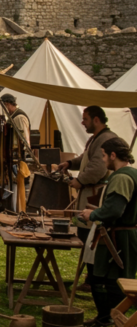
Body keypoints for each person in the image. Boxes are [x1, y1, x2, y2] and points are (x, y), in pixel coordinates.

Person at [77, 137, 137, 327]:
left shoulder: (122, 177)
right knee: (99, 277)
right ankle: (105, 318)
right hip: (116, 235)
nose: (102, 160)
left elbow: (114, 210)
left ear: (113, 155)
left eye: (103, 155)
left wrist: (93, 214)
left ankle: (116, 323)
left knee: (114, 281)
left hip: (119, 237)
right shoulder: (126, 175)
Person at [56, 106, 118, 290]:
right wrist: (70, 163)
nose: (82, 122)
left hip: (94, 196)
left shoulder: (106, 139)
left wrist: (80, 181)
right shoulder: (97, 138)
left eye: (86, 119)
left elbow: (98, 167)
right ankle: (91, 279)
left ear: (96, 119)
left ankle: (93, 281)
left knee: (91, 238)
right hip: (89, 193)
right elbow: (86, 158)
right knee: (86, 236)